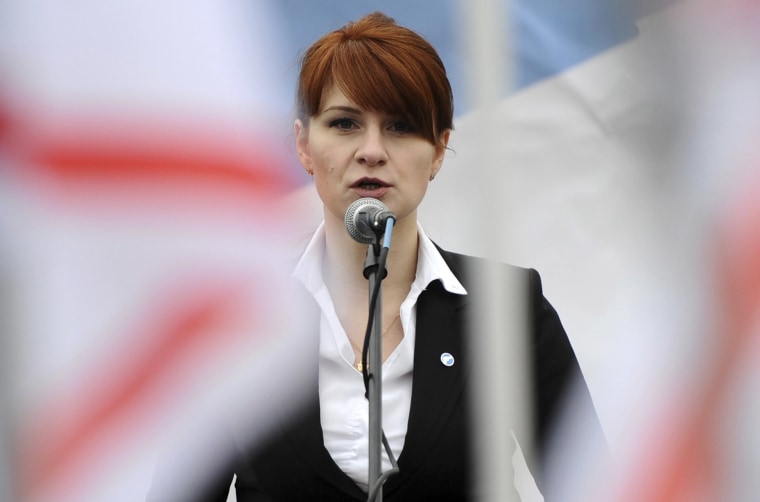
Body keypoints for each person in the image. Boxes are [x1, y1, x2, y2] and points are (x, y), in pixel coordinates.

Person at [148, 11, 603, 501]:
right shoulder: (238, 316)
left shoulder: (506, 305)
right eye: (344, 124)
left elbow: (596, 489)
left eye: (401, 126)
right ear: (303, 144)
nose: (371, 150)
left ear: (438, 150)